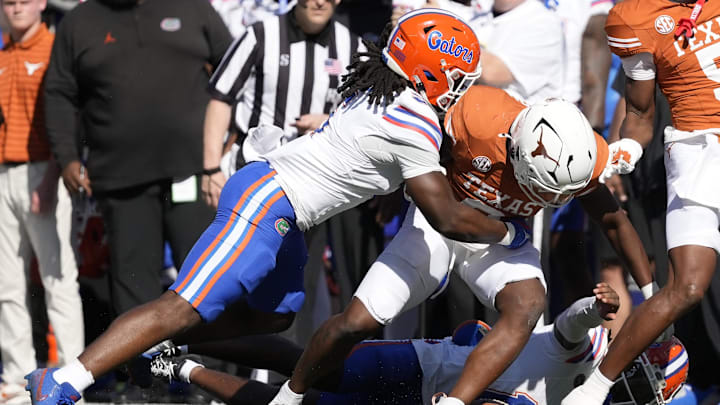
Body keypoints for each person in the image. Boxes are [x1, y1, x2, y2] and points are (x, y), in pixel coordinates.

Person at [24, 9, 524, 405]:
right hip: (270, 199)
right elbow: (447, 217)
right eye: (456, 76)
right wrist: (508, 233)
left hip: (287, 211)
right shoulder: (414, 118)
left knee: (272, 318)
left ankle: (167, 347)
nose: (460, 88)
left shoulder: (380, 84)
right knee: (182, 305)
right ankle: (65, 379)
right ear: (431, 73)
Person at [277, 80, 659, 404]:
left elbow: (613, 220)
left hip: (497, 239)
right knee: (357, 322)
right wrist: (398, 185)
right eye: (549, 191)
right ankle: (289, 396)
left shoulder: (573, 155)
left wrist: (651, 291)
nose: (556, 201)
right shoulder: (474, 119)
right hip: (440, 223)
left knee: (527, 304)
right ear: (520, 155)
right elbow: (414, 150)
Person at [149, 284, 687, 405]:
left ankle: (183, 368)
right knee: (303, 368)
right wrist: (597, 305)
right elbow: (573, 322)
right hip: (420, 370)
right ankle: (177, 337)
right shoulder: (588, 349)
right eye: (641, 381)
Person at [562, 0, 720, 403]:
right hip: (698, 151)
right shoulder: (636, 17)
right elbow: (638, 110)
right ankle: (594, 390)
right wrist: (624, 150)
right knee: (686, 286)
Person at [202, 0, 366, 346]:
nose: (320, 1)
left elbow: (369, 114)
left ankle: (285, 377)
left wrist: (330, 123)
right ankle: (221, 366)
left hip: (318, 185)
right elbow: (221, 97)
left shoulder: (353, 46)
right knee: (238, 272)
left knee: (297, 284)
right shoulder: (260, 36)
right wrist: (211, 167)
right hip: (258, 179)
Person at [0, 0, 84, 402]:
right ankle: (18, 380)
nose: (15, 8)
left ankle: (73, 378)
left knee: (58, 279)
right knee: (6, 283)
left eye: (22, 1)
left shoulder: (55, 50)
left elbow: (66, 119)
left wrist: (52, 175)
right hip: (3, 173)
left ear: (41, 4)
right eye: (8, 2)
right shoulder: (3, 54)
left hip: (43, 174)